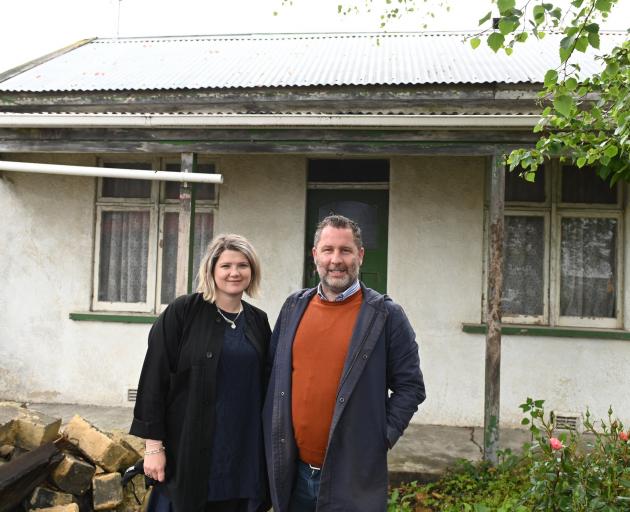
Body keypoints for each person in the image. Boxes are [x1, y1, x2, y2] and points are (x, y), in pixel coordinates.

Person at [263, 214, 426, 512]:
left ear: (360, 255)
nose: (336, 259)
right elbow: (272, 376)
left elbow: (410, 387)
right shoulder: (293, 307)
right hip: (293, 472)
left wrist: (380, 439)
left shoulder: (386, 316)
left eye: (345, 250)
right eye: (328, 250)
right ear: (315, 255)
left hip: (350, 475)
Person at [130, 234, 272, 512]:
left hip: (243, 450)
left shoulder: (258, 321)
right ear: (211, 270)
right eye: (226, 266)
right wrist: (153, 447)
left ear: (252, 271)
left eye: (243, 265)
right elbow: (153, 379)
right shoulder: (183, 312)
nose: (235, 272)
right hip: (190, 448)